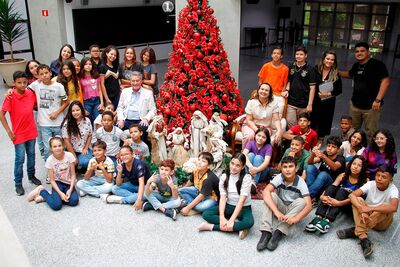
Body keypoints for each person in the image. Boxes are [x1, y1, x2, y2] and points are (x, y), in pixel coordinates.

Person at [336, 164, 398, 258]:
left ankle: (356, 231)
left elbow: (394, 207)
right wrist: (362, 210)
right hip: (366, 217)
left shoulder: (393, 189)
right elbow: (352, 195)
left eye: (383, 177)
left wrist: (370, 208)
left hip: (381, 223)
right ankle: (363, 238)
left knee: (385, 206)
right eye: (378, 175)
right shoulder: (371, 183)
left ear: (390, 180)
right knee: (359, 200)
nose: (379, 179)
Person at [257, 156, 312, 251]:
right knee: (271, 195)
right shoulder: (279, 177)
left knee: (302, 201)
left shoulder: (301, 182)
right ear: (281, 169)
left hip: (292, 209)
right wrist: (276, 211)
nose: (287, 170)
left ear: (296, 168)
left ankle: (279, 231)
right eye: (285, 167)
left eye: (290, 166)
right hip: (281, 206)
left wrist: (296, 218)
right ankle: (266, 231)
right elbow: (265, 192)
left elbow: (309, 206)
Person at [0, 71, 41, 196]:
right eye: (19, 83)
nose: (22, 85)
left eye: (24, 82)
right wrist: (9, 131)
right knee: (20, 158)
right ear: (14, 83)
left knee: (32, 155)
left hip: (31, 131)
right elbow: (2, 114)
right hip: (18, 134)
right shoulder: (11, 96)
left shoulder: (30, 94)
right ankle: (18, 183)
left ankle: (31, 175)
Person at [339, 42, 390, 143]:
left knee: (370, 133)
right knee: (351, 131)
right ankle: (350, 152)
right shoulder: (357, 65)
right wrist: (335, 71)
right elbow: (349, 74)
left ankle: (369, 154)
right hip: (355, 105)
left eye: (362, 51)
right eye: (357, 51)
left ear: (368, 52)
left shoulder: (377, 64)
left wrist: (378, 99)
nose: (359, 53)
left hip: (372, 107)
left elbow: (386, 81)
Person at [305, 155, 367, 234]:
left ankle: (328, 221)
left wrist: (339, 203)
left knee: (342, 191)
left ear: (363, 168)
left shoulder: (364, 181)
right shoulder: (343, 175)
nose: (355, 167)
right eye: (354, 164)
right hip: (337, 202)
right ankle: (319, 217)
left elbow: (356, 199)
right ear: (350, 164)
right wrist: (322, 196)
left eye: (359, 165)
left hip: (350, 206)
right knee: (332, 188)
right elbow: (332, 187)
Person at [198, 153, 254, 239]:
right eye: (232, 163)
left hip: (243, 207)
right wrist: (222, 217)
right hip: (229, 205)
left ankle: (211, 227)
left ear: (242, 167)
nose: (233, 167)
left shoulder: (246, 178)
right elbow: (223, 199)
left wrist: (231, 220)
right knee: (206, 214)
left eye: (238, 165)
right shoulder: (224, 177)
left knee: (249, 222)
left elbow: (241, 201)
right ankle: (238, 227)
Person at [29, 64, 69, 162]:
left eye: (46, 73)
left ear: (50, 73)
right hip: (44, 123)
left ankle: (63, 167)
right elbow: (22, 90)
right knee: (47, 149)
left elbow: (66, 101)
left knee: (60, 147)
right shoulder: (36, 85)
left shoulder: (58, 86)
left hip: (58, 122)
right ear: (37, 76)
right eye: (41, 74)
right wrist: (10, 91)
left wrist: (57, 112)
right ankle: (49, 171)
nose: (44, 75)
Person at [27, 137, 79, 210]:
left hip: (68, 182)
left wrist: (70, 190)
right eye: (55, 146)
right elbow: (52, 180)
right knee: (57, 206)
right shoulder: (50, 160)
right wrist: (60, 193)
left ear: (63, 146)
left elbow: (73, 174)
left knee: (74, 201)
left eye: (59, 145)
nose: (58, 148)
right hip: (58, 182)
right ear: (51, 149)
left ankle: (51, 197)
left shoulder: (69, 155)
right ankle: (42, 191)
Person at [101, 146, 148, 210]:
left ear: (132, 154)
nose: (124, 157)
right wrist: (120, 172)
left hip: (145, 186)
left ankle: (118, 199)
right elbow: (118, 184)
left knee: (146, 194)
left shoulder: (139, 164)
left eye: (126, 154)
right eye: (122, 155)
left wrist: (139, 199)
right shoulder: (122, 165)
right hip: (133, 185)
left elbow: (141, 182)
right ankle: (135, 197)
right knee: (114, 188)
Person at [311, 50, 342, 143]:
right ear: (323, 59)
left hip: (328, 104)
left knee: (323, 126)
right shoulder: (316, 69)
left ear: (334, 62)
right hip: (315, 102)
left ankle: (319, 144)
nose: (329, 61)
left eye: (332, 60)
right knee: (313, 123)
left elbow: (339, 90)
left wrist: (326, 94)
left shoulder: (335, 73)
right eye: (327, 58)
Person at [116, 71, 156, 140]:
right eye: (133, 81)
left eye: (137, 81)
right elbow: (120, 107)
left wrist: (146, 118)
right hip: (127, 120)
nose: (135, 83)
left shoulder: (148, 93)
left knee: (144, 128)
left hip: (140, 120)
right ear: (130, 82)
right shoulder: (125, 92)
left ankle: (141, 148)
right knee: (116, 128)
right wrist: (120, 119)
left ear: (141, 81)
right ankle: (123, 149)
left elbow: (153, 110)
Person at [241, 83, 282, 149]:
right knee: (250, 135)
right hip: (251, 126)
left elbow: (276, 119)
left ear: (269, 93)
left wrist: (279, 130)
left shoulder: (274, 104)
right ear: (258, 90)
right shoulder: (251, 102)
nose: (263, 91)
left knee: (263, 137)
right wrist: (257, 131)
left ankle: (261, 156)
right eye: (262, 89)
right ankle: (244, 155)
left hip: (266, 127)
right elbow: (249, 120)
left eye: (266, 90)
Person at [306, 136, 345, 204]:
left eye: (333, 147)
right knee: (310, 167)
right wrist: (313, 153)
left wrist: (324, 157)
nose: (330, 148)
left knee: (323, 174)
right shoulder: (325, 153)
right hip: (319, 180)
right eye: (328, 146)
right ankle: (312, 195)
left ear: (338, 149)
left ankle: (307, 196)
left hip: (330, 183)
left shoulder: (341, 159)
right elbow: (309, 162)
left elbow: (335, 167)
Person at [285, 45, 316, 129]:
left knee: (302, 125)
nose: (298, 56)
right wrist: (287, 89)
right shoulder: (291, 66)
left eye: (301, 54)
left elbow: (312, 88)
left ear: (306, 55)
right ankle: (293, 140)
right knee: (290, 123)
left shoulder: (310, 69)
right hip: (291, 102)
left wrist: (310, 104)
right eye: (297, 54)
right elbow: (289, 81)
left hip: (304, 103)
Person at [258, 46, 289, 118]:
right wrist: (262, 91)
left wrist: (283, 92)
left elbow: (285, 84)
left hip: (278, 95)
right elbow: (260, 81)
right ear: (271, 55)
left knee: (278, 115)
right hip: (266, 93)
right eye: (274, 53)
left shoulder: (285, 69)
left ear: (281, 56)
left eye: (278, 53)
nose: (276, 55)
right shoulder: (266, 66)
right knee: (263, 115)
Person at [61, 101, 93, 170]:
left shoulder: (87, 120)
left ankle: (81, 166)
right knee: (68, 164)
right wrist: (74, 156)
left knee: (86, 162)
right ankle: (75, 164)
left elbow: (90, 135)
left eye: (77, 110)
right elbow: (66, 141)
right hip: (71, 150)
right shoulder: (67, 123)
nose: (75, 112)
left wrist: (86, 148)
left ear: (81, 110)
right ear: (70, 112)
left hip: (82, 149)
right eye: (73, 111)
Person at [79, 57, 103, 125]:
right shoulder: (80, 77)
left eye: (90, 64)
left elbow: (99, 90)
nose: (88, 66)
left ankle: (97, 135)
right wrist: (83, 107)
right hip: (86, 102)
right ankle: (90, 135)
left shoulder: (96, 76)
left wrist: (101, 103)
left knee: (98, 119)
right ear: (83, 65)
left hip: (96, 101)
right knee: (88, 120)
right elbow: (80, 93)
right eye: (86, 64)